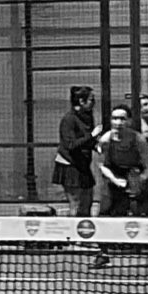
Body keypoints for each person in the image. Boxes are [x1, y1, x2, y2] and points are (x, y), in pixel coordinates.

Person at [90, 102, 148, 272]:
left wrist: (138, 181)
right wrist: (116, 181)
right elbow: (102, 165)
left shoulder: (138, 139)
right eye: (115, 118)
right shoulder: (106, 140)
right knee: (104, 215)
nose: (118, 122)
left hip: (137, 176)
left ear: (129, 121)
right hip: (114, 178)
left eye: (122, 119)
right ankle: (103, 254)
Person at [55, 84, 96, 215]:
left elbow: (86, 141)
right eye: (91, 100)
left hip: (83, 164)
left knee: (87, 201)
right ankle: (73, 226)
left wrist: (96, 145)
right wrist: (92, 135)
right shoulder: (69, 119)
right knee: (76, 203)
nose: (94, 103)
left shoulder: (88, 117)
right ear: (81, 101)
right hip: (70, 165)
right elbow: (71, 145)